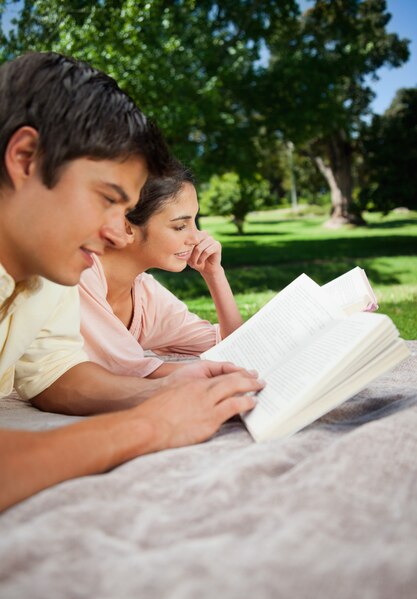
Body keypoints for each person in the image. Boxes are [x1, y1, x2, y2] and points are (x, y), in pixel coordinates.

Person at [0, 51, 264, 512]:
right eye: (106, 198)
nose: (114, 232)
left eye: (124, 210)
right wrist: (149, 426)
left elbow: (54, 372)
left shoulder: (51, 273)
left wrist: (165, 393)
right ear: (25, 158)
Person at [79, 165, 243, 378]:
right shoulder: (81, 272)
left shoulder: (147, 299)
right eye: (180, 226)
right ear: (127, 227)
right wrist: (210, 373)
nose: (196, 237)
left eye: (194, 221)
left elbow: (235, 347)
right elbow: (124, 366)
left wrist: (214, 275)